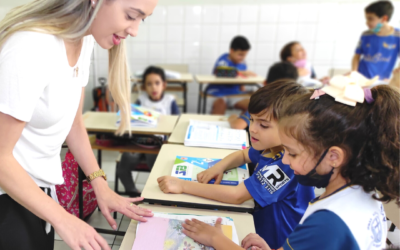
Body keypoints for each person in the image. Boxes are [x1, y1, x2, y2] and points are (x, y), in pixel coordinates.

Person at [0, 0, 157, 249]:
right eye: (130, 16)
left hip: (40, 192)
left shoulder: (84, 39)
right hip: (11, 194)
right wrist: (64, 219)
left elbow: (73, 123)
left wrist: (100, 185)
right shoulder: (30, 46)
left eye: (142, 19)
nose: (135, 30)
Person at [181, 84, 399, 250]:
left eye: (293, 153)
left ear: (334, 156)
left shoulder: (329, 222)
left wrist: (215, 239)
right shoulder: (362, 191)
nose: (284, 161)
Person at [158, 80, 315, 249]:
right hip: (258, 231)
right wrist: (219, 166)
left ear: (290, 129)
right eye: (251, 119)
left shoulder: (287, 163)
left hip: (277, 240)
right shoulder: (270, 146)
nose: (252, 129)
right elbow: (242, 154)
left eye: (263, 125)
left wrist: (182, 185)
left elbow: (236, 196)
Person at [118, 66, 180, 195]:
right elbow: (133, 122)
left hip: (159, 145)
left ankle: (154, 197)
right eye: (149, 84)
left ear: (164, 85)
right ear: (144, 87)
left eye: (157, 83)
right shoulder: (142, 100)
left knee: (155, 166)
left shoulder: (170, 101)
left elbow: (177, 125)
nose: (154, 87)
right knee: (123, 165)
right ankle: (133, 193)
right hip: (139, 142)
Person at [228, 62, 298, 130]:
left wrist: (233, 118)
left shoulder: (264, 103)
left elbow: (238, 125)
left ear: (265, 83)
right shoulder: (298, 106)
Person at [208, 35, 256, 115]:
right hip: (218, 92)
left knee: (254, 106)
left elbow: (241, 83)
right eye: (240, 54)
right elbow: (219, 72)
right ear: (231, 51)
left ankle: (240, 124)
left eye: (245, 55)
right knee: (220, 104)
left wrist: (243, 88)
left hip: (234, 93)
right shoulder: (223, 60)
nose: (242, 58)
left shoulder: (243, 63)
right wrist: (240, 73)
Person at [352, 1, 399, 80]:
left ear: (384, 18)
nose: (367, 22)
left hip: (383, 81)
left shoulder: (397, 36)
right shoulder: (366, 34)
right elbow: (357, 56)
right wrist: (354, 73)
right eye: (366, 18)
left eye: (370, 19)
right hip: (361, 78)